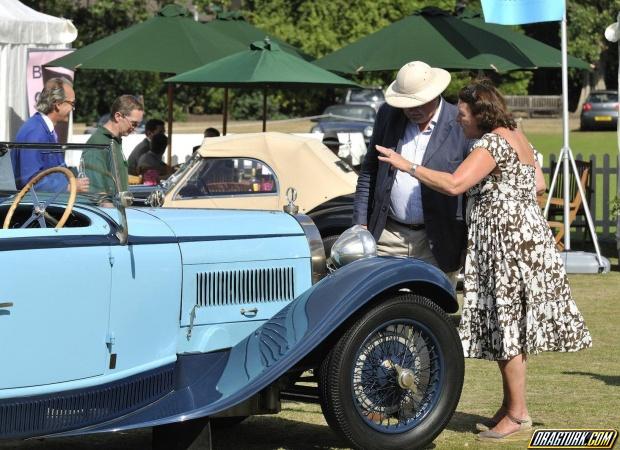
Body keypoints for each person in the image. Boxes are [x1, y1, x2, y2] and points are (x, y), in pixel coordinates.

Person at [376, 79, 592, 442]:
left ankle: (518, 415)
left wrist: (406, 165)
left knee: (506, 327)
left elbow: (454, 184)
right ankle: (511, 407)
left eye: (462, 114)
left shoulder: (491, 142)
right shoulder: (515, 134)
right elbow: (538, 183)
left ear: (480, 113)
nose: (458, 121)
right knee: (511, 327)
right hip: (529, 242)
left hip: (505, 245)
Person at [353, 61, 471, 285]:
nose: (412, 110)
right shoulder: (388, 115)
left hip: (439, 240)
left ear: (436, 94)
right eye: (406, 104)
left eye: (419, 103)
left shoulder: (460, 121)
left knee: (432, 311)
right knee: (383, 308)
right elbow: (370, 168)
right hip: (387, 235)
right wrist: (360, 222)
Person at [11, 77, 89, 192]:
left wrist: (73, 176)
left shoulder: (43, 128)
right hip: (34, 208)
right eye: (72, 103)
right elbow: (29, 181)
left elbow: (54, 169)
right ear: (58, 104)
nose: (73, 108)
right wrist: (69, 187)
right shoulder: (35, 131)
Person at [82, 95, 144, 195]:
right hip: (108, 210)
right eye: (133, 123)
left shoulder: (115, 141)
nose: (135, 128)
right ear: (118, 116)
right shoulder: (98, 143)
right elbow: (96, 191)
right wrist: (110, 209)